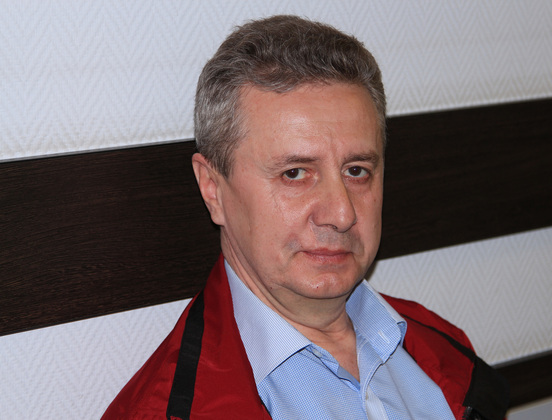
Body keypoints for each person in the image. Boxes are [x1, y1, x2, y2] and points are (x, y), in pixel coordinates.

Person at [102, 15, 508, 420]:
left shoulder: (447, 352)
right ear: (213, 189)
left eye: (357, 171)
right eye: (295, 173)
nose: (342, 213)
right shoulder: (159, 413)